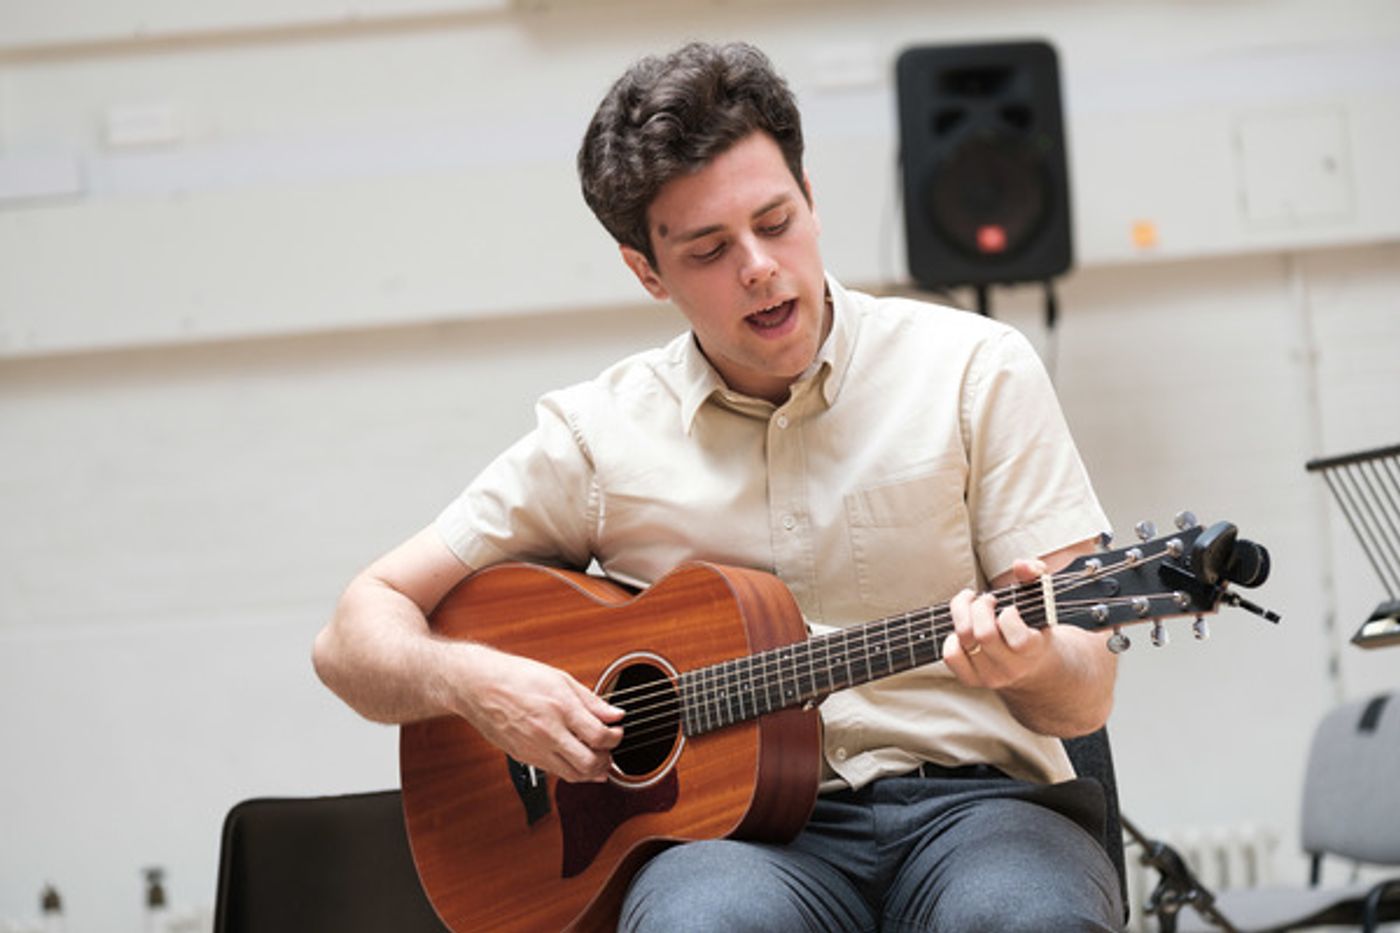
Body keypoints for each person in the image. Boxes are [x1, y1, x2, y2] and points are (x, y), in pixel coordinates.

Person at [314, 40, 1123, 932]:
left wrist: (1034, 661)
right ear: (646, 270)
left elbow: (1083, 694)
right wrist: (479, 684)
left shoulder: (975, 369)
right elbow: (352, 636)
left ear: (812, 199)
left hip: (979, 811)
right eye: (709, 249)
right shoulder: (598, 436)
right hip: (738, 848)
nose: (759, 268)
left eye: (776, 222)